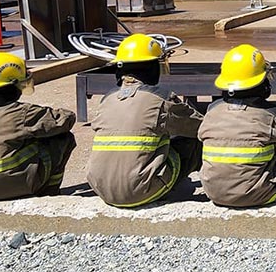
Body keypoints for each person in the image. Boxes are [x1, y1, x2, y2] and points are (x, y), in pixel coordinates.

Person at [87, 34, 203, 207]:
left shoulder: (107, 99)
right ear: (150, 67)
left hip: (101, 189)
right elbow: (200, 127)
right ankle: (221, 189)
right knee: (194, 143)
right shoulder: (160, 99)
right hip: (139, 191)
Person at [200, 44, 276, 207]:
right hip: (254, 195)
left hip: (214, 193)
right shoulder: (267, 116)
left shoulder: (211, 112)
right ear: (260, 83)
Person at [0, 52, 76, 202]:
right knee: (62, 138)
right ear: (12, 86)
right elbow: (65, 120)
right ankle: (48, 194)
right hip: (8, 186)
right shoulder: (22, 113)